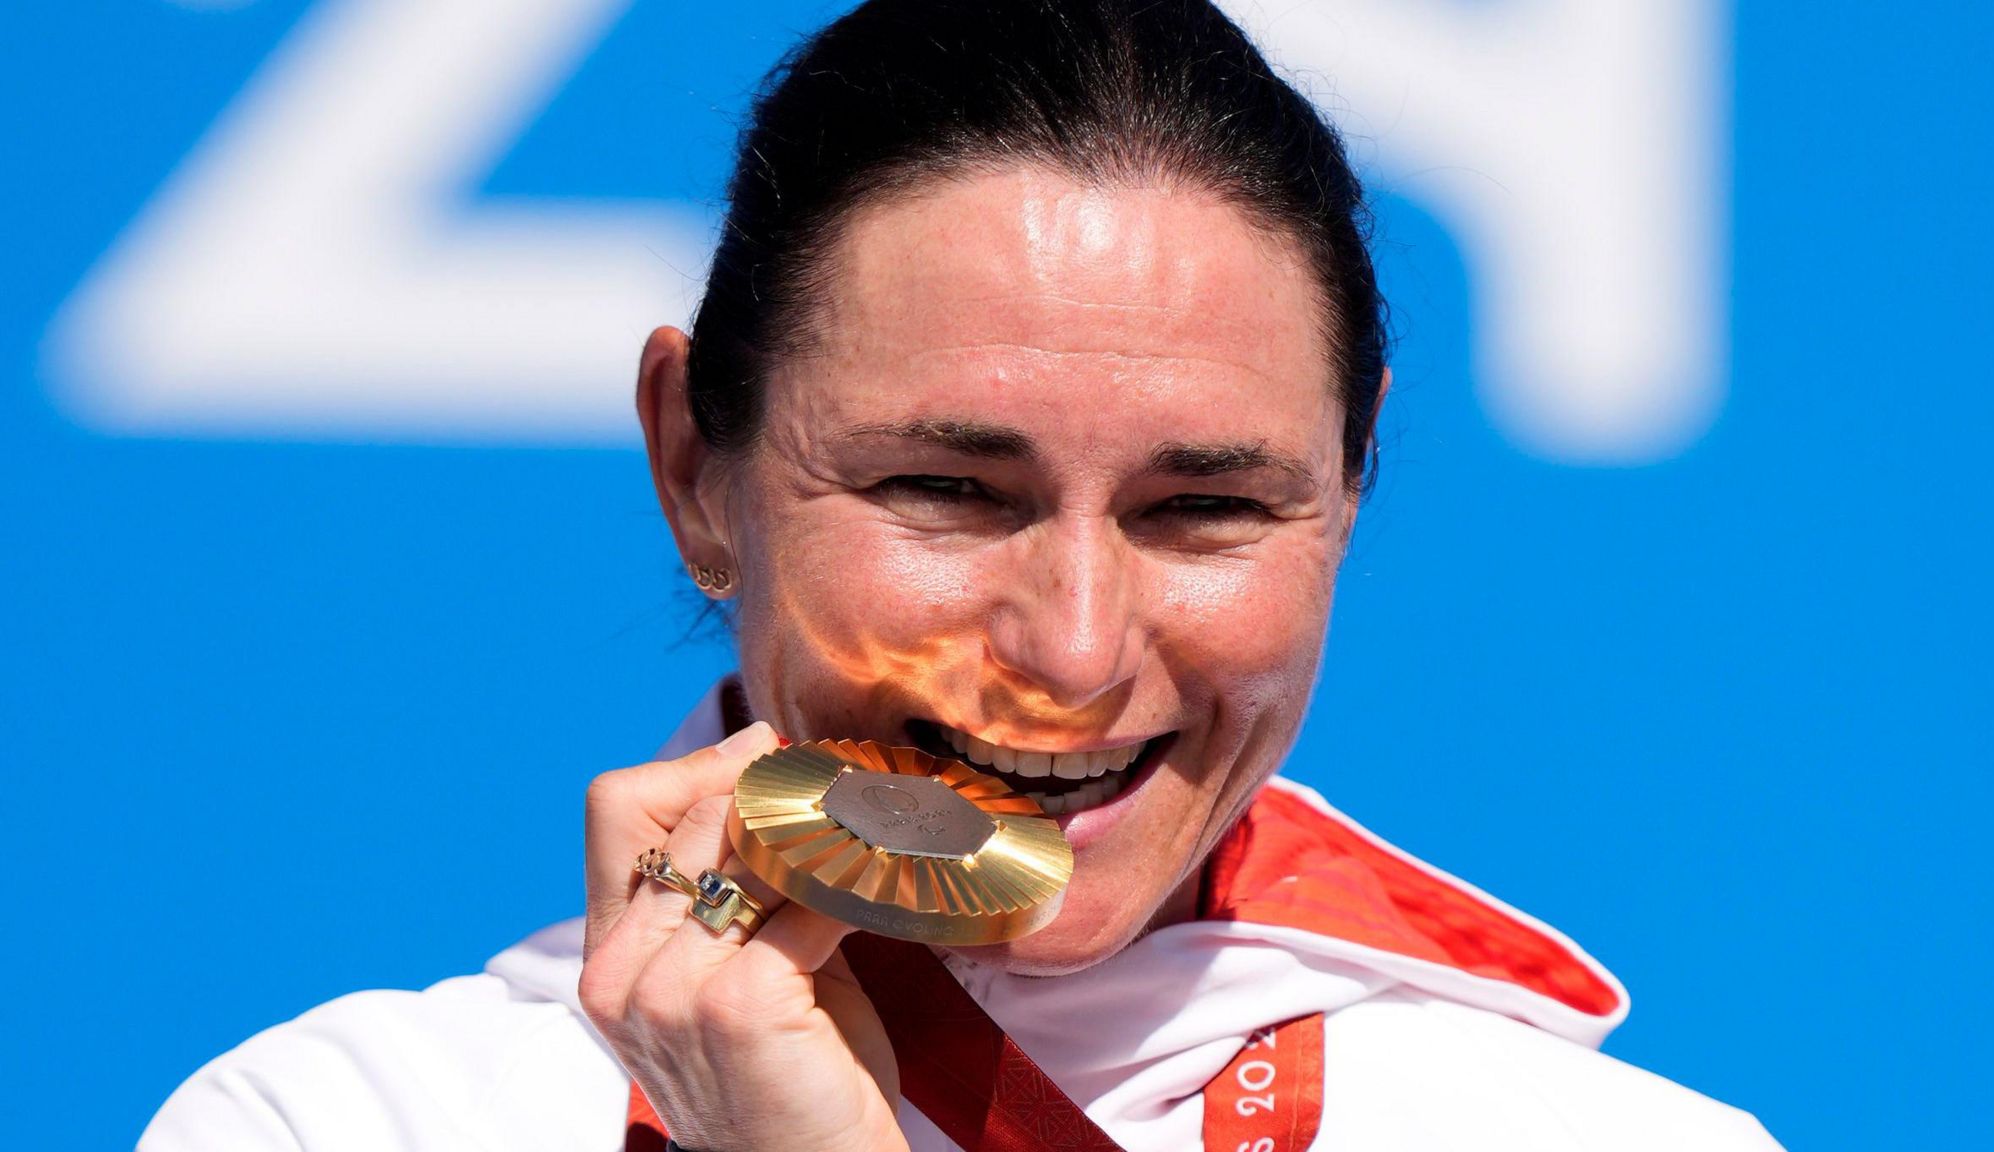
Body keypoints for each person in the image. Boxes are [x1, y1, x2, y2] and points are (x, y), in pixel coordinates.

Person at [140, 2, 1785, 1149]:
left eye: (1204, 509)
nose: (1071, 653)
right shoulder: (346, 1125)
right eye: (948, 488)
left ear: (1349, 491)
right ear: (695, 469)